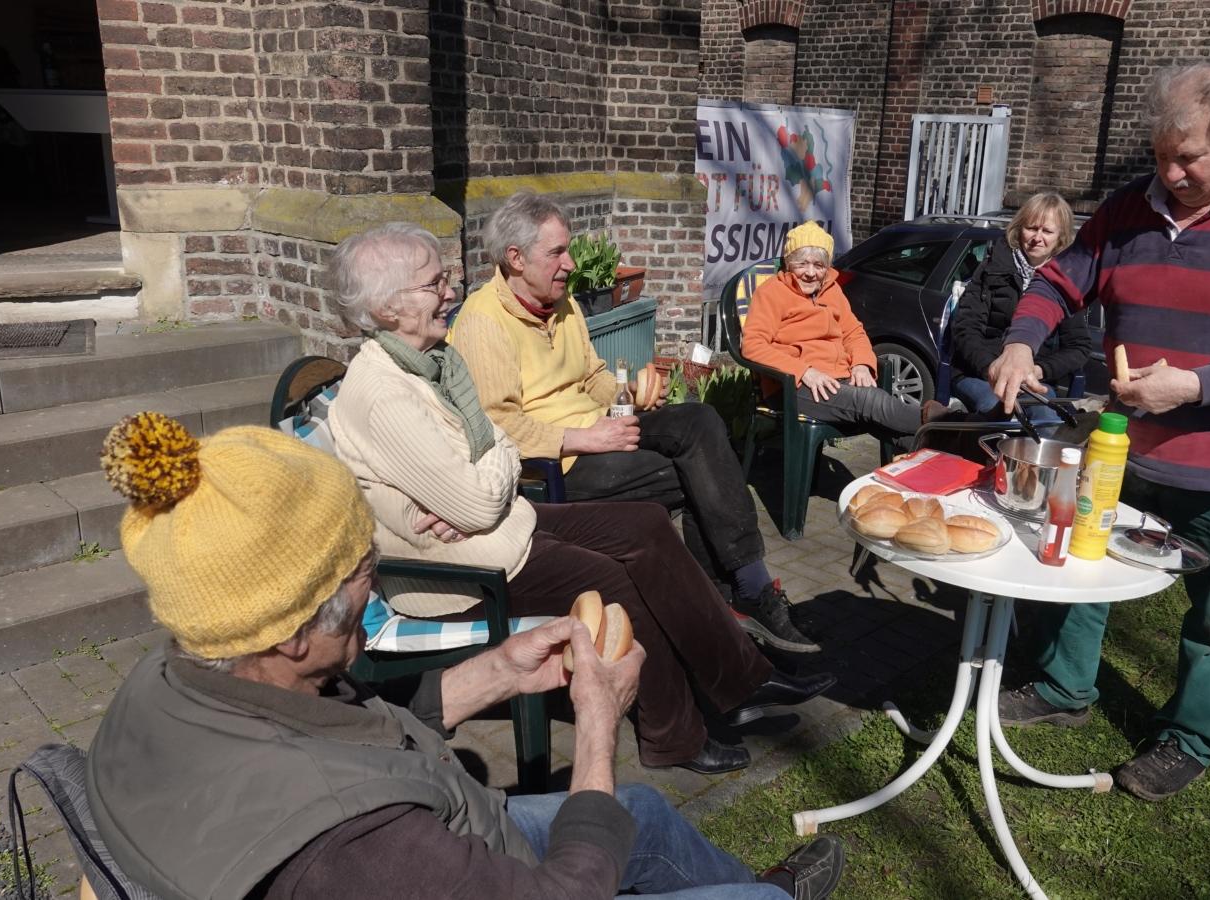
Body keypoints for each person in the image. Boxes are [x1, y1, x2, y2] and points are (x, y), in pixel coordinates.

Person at [85, 411, 847, 899]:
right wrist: (595, 725)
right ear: (290, 628)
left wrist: (498, 671)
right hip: (494, 869)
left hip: (458, 828)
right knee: (659, 841)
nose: (375, 575)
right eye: (359, 566)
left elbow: (343, 734)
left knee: (640, 811)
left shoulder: (172, 682)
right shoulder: (351, 844)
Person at [321, 222, 835, 775]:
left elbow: (487, 453)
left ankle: (743, 680)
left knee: (644, 524)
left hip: (503, 525)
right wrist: (493, 467)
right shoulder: (387, 393)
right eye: (433, 284)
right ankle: (675, 736)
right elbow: (486, 472)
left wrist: (486, 468)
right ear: (385, 307)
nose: (449, 291)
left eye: (445, 278)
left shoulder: (432, 364)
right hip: (461, 567)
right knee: (614, 578)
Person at [987, 61, 1210, 800]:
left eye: (1188, 158)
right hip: (1124, 448)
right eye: (1159, 155)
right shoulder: (1126, 210)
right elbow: (1058, 282)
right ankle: (1063, 688)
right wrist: (1021, 340)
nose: (1169, 173)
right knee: (1084, 573)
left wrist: (1198, 385)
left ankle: (1193, 737)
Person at [450, 191, 820, 654]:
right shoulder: (483, 322)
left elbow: (592, 375)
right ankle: (735, 599)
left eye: (568, 249)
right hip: (554, 464)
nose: (569, 264)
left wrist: (630, 395)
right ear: (515, 258)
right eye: (557, 252)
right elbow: (497, 426)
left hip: (599, 430)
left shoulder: (561, 304)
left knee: (701, 421)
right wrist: (582, 438)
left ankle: (737, 598)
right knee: (697, 475)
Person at [741, 222, 943, 444]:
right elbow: (753, 345)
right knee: (869, 401)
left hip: (838, 378)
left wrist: (862, 363)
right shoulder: (772, 292)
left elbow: (854, 332)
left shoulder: (832, 290)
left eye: (819, 265)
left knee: (896, 431)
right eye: (802, 264)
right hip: (792, 387)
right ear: (788, 264)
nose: (810, 273)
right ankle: (949, 422)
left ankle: (943, 454)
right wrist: (803, 371)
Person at [947, 192, 1091, 419]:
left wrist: (1037, 370)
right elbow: (966, 328)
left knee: (1047, 421)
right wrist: (993, 368)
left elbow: (1078, 347)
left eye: (1047, 231)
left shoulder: (1065, 283)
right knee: (998, 415)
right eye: (1032, 228)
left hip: (1033, 381)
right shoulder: (991, 268)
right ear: (1019, 228)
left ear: (1060, 236)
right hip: (979, 374)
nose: (1037, 237)